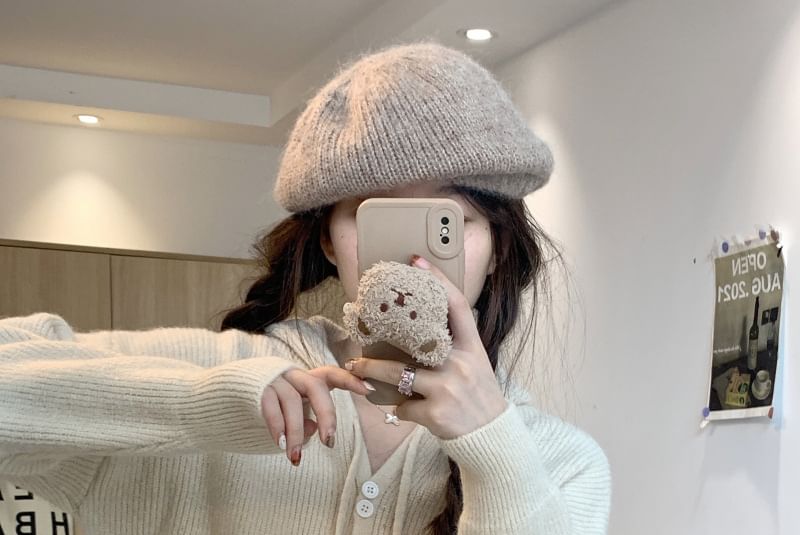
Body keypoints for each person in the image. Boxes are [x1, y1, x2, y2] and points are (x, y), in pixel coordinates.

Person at [0, 41, 610, 534]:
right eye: (375, 216)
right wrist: (200, 407)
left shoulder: (562, 464)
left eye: (448, 221)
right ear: (328, 241)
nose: (415, 258)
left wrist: (494, 450)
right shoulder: (222, 369)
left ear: (499, 246)